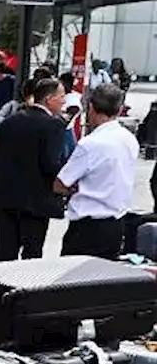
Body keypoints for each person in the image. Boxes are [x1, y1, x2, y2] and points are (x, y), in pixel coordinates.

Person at [0, 77, 68, 261]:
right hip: (36, 200)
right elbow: (50, 164)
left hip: (7, 197)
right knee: (32, 255)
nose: (64, 102)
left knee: (4, 251)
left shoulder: (11, 121)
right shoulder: (54, 125)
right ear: (49, 99)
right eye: (61, 97)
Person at [54, 83, 140, 259]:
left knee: (73, 281)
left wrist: (72, 188)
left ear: (91, 107)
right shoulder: (129, 139)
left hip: (87, 229)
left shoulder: (90, 144)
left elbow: (60, 184)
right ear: (119, 108)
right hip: (116, 225)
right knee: (103, 281)